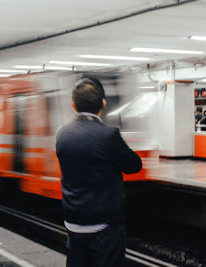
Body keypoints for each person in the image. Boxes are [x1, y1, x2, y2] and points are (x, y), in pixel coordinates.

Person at [55, 77, 142, 267]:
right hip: (103, 225)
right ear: (103, 103)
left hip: (73, 221)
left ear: (73, 105)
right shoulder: (108, 135)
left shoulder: (62, 133)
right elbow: (134, 165)